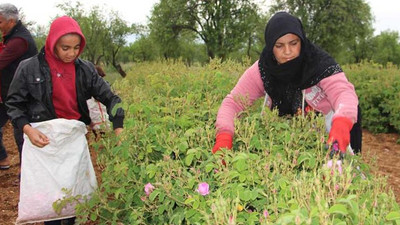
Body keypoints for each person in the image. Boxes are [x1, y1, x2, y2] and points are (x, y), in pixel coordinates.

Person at [6, 16, 124, 225]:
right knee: (51, 198)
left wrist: (118, 127)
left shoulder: (85, 70)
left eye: (76, 48)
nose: (72, 53)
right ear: (52, 43)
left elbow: (111, 98)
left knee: (72, 193)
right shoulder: (29, 68)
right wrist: (28, 130)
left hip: (72, 140)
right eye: (65, 48)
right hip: (41, 139)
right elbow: (14, 104)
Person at [212, 12, 362, 157]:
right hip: (289, 138)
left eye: (293, 43)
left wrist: (341, 123)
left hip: (331, 128)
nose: (288, 52)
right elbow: (232, 103)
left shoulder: (318, 63)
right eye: (279, 46)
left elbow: (344, 93)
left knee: (343, 175)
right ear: (271, 47)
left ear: (301, 41)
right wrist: (224, 136)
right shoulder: (263, 68)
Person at [0, 3, 38, 169]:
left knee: (21, 135)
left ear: (11, 21)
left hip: (20, 96)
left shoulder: (19, 41)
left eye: (0, 22)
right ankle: (3, 159)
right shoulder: (13, 37)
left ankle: (27, 175)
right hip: (9, 94)